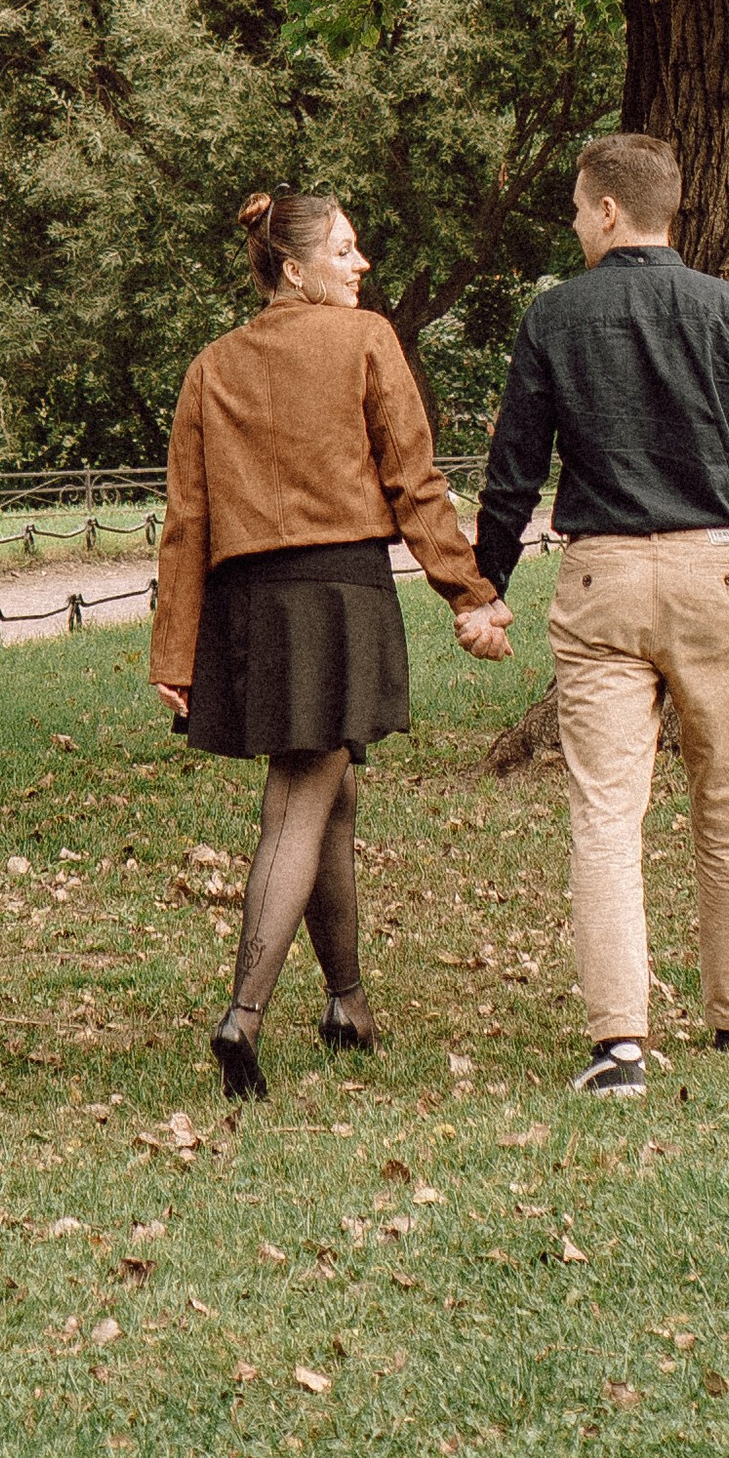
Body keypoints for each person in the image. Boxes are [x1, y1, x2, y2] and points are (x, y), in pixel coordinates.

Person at [472, 131, 729, 1101]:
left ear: (607, 211)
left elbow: (512, 470)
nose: (570, 219)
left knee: (604, 815)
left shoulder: (554, 320)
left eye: (573, 204)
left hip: (599, 582)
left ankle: (618, 1049)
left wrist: (486, 587)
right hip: (715, 577)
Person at [153, 186, 512, 1099]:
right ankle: (243, 1014)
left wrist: (175, 650)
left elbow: (185, 521)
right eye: (346, 250)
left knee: (331, 788)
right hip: (339, 596)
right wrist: (469, 592)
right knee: (299, 801)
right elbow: (415, 483)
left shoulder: (212, 365)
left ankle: (347, 1001)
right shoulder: (365, 339)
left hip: (250, 604)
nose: (361, 267)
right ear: (295, 267)